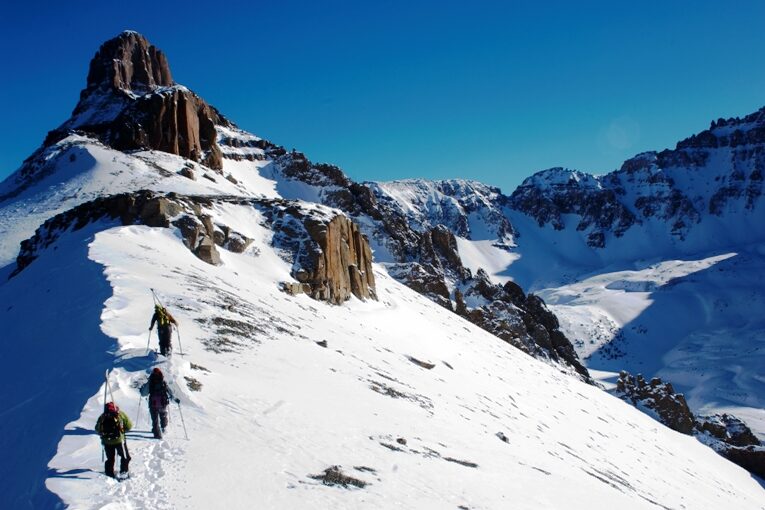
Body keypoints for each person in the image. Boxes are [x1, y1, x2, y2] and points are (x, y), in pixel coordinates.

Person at [95, 402, 132, 478]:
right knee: (125, 456)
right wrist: (122, 430)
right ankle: (124, 472)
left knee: (110, 458)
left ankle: (109, 474)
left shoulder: (103, 416)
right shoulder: (120, 414)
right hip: (119, 440)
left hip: (107, 441)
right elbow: (129, 426)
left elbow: (97, 429)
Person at [140, 367, 179, 439]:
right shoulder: (163, 381)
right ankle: (164, 428)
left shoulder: (150, 382)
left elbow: (143, 394)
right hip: (163, 403)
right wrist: (175, 399)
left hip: (153, 404)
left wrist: (142, 389)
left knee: (155, 420)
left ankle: (157, 435)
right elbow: (170, 391)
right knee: (163, 415)